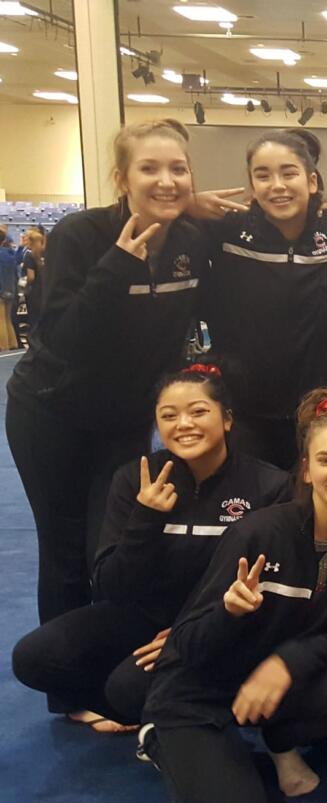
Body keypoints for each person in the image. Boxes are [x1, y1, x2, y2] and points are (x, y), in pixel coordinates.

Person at [139, 383, 327, 803]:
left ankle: (277, 738)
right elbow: (187, 644)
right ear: (306, 469)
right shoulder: (257, 532)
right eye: (326, 460)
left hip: (266, 676)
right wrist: (229, 612)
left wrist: (286, 663)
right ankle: (161, 738)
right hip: (199, 688)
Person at [6, 119, 210, 638]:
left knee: (114, 543)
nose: (166, 180)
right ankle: (68, 683)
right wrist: (118, 265)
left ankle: (109, 657)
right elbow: (61, 338)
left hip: (123, 419)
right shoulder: (83, 234)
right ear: (122, 178)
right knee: (66, 546)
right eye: (150, 169)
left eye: (178, 169)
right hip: (52, 415)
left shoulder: (191, 239)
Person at [10, 363, 289, 731]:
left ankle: (185, 710)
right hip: (147, 617)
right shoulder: (134, 479)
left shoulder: (269, 486)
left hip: (221, 625)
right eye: (169, 415)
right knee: (34, 657)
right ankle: (138, 712)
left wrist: (190, 631)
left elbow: (273, 587)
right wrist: (146, 518)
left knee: (129, 685)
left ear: (227, 420)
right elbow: (110, 586)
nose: (183, 424)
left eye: (198, 412)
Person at [198, 128, 327, 469]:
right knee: (254, 512)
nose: (276, 185)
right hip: (246, 411)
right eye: (263, 176)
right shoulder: (226, 233)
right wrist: (187, 203)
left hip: (319, 408)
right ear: (252, 185)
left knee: (317, 508)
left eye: (288, 173)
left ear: (311, 181)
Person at [20, 226, 46, 334]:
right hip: (42, 291)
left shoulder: (29, 256)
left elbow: (31, 277)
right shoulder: (41, 257)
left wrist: (25, 285)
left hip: (33, 292)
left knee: (33, 320)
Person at [0, 227, 17, 350]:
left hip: (1, 291)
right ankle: (12, 344)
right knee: (8, 319)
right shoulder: (11, 254)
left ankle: (3, 347)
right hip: (10, 290)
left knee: (1, 320)